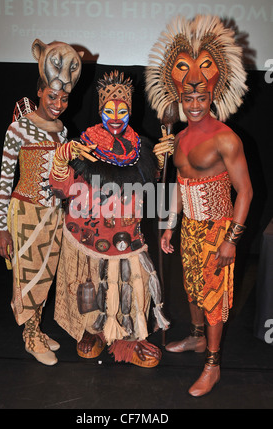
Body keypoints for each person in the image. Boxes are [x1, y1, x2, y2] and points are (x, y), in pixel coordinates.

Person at [146, 15, 253, 395]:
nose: (194, 104)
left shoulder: (227, 139)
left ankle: (213, 364)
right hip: (190, 226)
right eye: (187, 98)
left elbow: (246, 192)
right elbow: (180, 182)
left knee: (213, 299)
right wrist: (171, 224)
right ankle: (195, 338)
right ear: (179, 97)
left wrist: (231, 240)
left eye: (201, 97)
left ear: (213, 94)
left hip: (218, 229)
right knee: (191, 290)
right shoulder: (179, 137)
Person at [49, 70, 169, 367]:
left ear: (131, 111)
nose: (116, 116)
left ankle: (130, 340)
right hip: (88, 236)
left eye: (123, 110)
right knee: (89, 286)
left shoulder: (141, 147)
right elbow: (62, 189)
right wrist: (61, 159)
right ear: (100, 110)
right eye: (109, 110)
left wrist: (160, 161)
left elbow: (146, 184)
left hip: (127, 235)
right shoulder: (84, 144)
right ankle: (93, 332)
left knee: (131, 286)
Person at [0, 39, 85, 365]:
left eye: (64, 97)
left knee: (45, 276)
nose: (59, 103)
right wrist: (2, 229)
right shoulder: (18, 129)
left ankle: (36, 328)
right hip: (26, 214)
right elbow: (5, 181)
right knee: (27, 277)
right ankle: (30, 336)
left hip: (54, 216)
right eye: (52, 96)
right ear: (40, 93)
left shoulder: (62, 131)